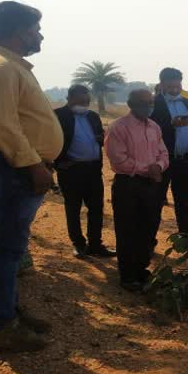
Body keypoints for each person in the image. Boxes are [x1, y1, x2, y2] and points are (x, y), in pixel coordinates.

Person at [0, 1, 63, 352]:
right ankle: (0, 327)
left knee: (10, 246)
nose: (39, 34)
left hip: (17, 169)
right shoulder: (0, 68)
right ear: (18, 31)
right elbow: (3, 126)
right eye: (35, 28)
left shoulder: (8, 65)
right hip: (15, 170)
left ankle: (7, 310)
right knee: (8, 248)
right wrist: (33, 166)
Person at [105, 89, 169, 291]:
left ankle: (141, 269)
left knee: (148, 228)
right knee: (127, 230)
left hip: (152, 185)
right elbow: (118, 159)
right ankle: (128, 276)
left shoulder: (154, 127)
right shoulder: (118, 127)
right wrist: (146, 170)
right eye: (143, 103)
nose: (148, 106)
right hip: (129, 185)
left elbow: (163, 152)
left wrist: (158, 166)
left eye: (150, 102)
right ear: (131, 104)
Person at [53, 84, 115, 259]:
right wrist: (58, 163)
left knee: (96, 208)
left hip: (93, 169)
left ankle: (95, 244)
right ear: (69, 99)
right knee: (73, 208)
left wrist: (101, 139)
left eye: (87, 101)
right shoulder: (58, 116)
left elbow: (101, 137)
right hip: (71, 170)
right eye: (80, 101)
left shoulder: (93, 116)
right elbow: (49, 140)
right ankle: (78, 245)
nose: (84, 104)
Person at [150, 67, 188, 235]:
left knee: (182, 201)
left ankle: (185, 237)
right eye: (170, 87)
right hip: (163, 161)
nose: (174, 90)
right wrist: (170, 125)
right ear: (162, 84)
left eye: (177, 86)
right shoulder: (153, 104)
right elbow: (148, 131)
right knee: (156, 201)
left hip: (185, 160)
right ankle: (150, 241)